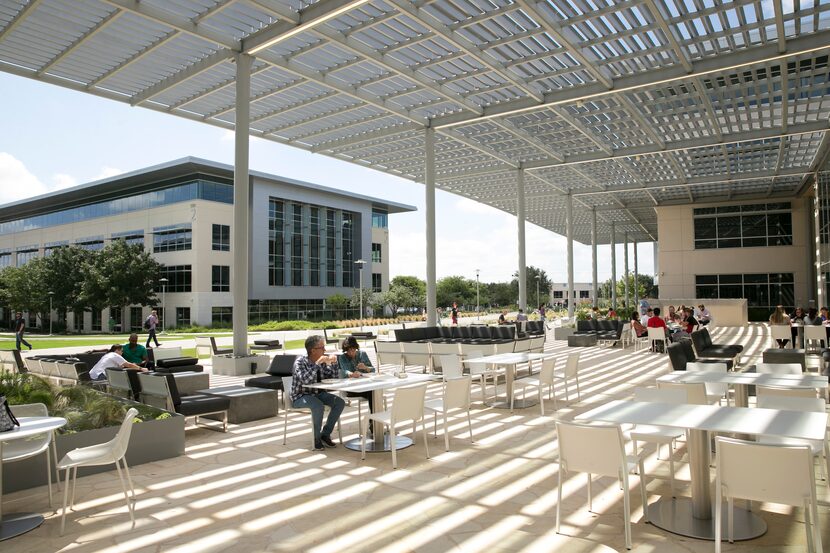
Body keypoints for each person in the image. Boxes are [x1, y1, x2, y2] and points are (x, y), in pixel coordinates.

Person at [291, 335, 346, 450]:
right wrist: (317, 364)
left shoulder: (321, 360)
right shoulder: (300, 362)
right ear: (313, 350)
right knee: (318, 406)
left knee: (339, 402)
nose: (325, 350)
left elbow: (333, 378)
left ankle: (325, 434)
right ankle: (316, 439)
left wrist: (335, 363)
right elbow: (305, 380)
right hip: (301, 396)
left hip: (318, 394)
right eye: (322, 347)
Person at [338, 336, 375, 413]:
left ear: (356, 348)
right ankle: (373, 421)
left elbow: (373, 370)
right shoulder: (342, 357)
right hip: (351, 389)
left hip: (365, 386)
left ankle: (373, 420)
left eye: (353, 350)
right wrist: (351, 374)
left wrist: (365, 367)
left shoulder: (362, 354)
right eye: (348, 351)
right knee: (373, 393)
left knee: (375, 392)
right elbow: (343, 372)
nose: (351, 353)